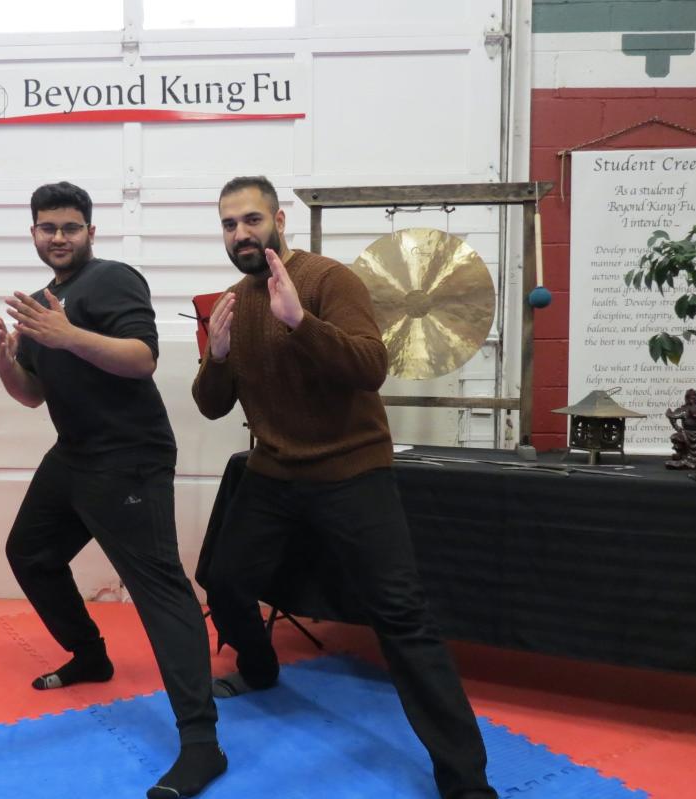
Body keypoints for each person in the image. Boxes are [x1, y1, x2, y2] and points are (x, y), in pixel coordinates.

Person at [191, 175, 497, 799]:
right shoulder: (233, 301)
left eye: (251, 220)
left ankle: (466, 781)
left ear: (279, 220)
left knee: (401, 616)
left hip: (351, 470)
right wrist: (216, 357)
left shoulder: (329, 281)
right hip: (274, 471)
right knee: (223, 581)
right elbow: (212, 406)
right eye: (229, 224)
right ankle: (259, 668)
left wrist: (300, 322)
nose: (241, 234)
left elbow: (370, 366)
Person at [0, 181, 226, 799]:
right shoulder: (41, 304)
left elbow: (141, 357)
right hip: (74, 454)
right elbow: (34, 394)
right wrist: (7, 366)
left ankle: (202, 744)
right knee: (31, 553)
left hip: (129, 457)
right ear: (34, 232)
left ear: (90, 232)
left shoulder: (112, 280)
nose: (59, 237)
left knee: (159, 590)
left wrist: (66, 334)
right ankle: (91, 656)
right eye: (48, 227)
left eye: (71, 227)